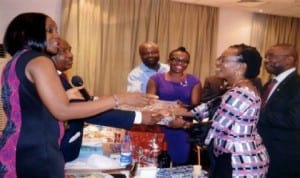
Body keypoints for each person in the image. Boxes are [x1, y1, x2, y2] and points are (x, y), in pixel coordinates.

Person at [0, 13, 161, 178]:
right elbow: (62, 111)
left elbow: (31, 106)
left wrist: (66, 96)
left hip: (16, 147)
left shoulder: (14, 63)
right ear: (29, 33)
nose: (57, 36)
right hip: (39, 152)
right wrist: (118, 98)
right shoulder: (40, 60)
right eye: (50, 30)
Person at [52, 38, 163, 162]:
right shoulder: (50, 80)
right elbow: (83, 112)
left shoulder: (61, 77)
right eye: (64, 51)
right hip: (55, 153)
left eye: (70, 50)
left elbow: (83, 105)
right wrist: (136, 115)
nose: (70, 55)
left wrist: (97, 99)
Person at [181, 44, 269, 177]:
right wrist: (179, 111)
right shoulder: (239, 88)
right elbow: (212, 106)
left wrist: (182, 124)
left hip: (239, 161)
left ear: (241, 66)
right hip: (234, 156)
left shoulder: (241, 92)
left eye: (223, 60)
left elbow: (215, 128)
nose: (218, 63)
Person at [147, 46, 201, 165]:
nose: (179, 63)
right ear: (169, 60)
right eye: (175, 59)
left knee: (179, 163)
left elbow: (196, 107)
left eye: (184, 61)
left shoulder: (194, 81)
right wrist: (166, 109)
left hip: (181, 128)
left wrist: (184, 106)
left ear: (188, 63)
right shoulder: (155, 79)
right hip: (159, 126)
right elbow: (149, 103)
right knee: (156, 162)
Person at [257, 44, 300, 178]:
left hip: (282, 159)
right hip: (263, 153)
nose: (266, 60)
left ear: (289, 60)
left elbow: (295, 120)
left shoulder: (297, 85)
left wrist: (256, 112)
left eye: (271, 56)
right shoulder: (269, 84)